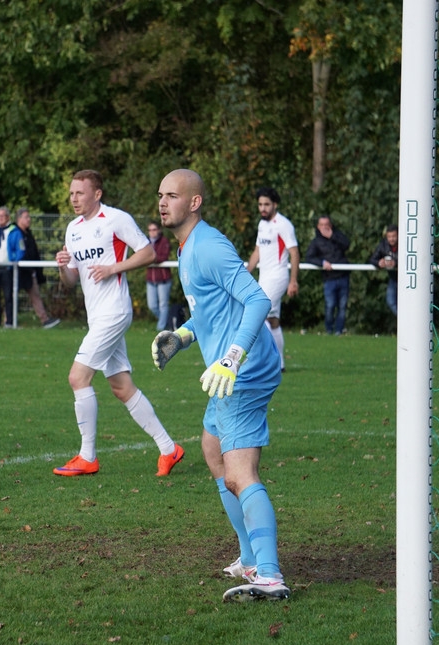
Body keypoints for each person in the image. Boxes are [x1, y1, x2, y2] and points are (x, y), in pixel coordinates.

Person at [151, 168, 288, 602]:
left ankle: (269, 575)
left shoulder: (208, 246)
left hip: (244, 372)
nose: (162, 202)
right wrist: (183, 337)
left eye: (172, 196)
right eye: (160, 195)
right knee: (212, 449)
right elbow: (212, 309)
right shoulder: (187, 247)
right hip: (233, 371)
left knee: (240, 473)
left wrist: (232, 359)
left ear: (194, 203)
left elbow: (257, 300)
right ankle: (249, 557)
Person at [53, 169, 184, 477]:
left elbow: (148, 253)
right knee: (121, 387)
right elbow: (71, 281)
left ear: (97, 194)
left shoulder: (115, 219)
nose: (74, 198)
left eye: (80, 193)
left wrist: (113, 268)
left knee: (77, 378)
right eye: (71, 193)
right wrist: (63, 267)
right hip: (97, 316)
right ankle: (169, 449)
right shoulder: (73, 229)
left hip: (114, 311)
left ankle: (87, 457)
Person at [246, 187, 298, 370]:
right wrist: (247, 271)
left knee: (258, 315)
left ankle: (261, 361)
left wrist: (293, 281)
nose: (263, 208)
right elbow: (257, 251)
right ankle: (280, 363)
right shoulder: (262, 224)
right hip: (264, 277)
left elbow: (294, 252)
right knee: (273, 320)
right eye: (260, 204)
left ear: (275, 204)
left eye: (266, 204)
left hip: (278, 277)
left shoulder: (283, 224)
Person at [304, 215, 351, 335]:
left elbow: (347, 245)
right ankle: (329, 330)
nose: (324, 227)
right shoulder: (316, 242)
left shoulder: (338, 235)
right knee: (330, 305)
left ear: (331, 225)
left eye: (327, 224)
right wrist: (322, 263)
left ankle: (339, 331)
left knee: (342, 306)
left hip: (343, 276)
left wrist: (332, 236)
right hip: (329, 279)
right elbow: (309, 257)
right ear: (318, 226)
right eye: (322, 225)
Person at [15, 208, 60, 329]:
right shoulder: (15, 233)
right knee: (12, 296)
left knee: (35, 295)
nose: (29, 219)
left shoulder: (28, 234)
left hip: (30, 271)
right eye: (26, 217)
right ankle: (8, 320)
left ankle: (45, 319)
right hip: (17, 271)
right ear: (19, 219)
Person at [145, 221, 173, 332]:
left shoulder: (164, 241)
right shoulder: (145, 243)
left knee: (163, 305)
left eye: (154, 229)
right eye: (150, 230)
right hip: (150, 279)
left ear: (159, 230)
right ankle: (167, 321)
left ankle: (160, 328)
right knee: (152, 306)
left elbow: (163, 256)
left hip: (163, 279)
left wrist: (150, 258)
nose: (152, 232)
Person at [369, 223, 399, 316]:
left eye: (394, 236)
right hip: (393, 278)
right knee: (390, 301)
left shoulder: (406, 243)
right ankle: (403, 319)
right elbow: (372, 259)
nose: (391, 239)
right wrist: (379, 262)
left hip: (407, 279)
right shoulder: (383, 244)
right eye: (389, 237)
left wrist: (395, 263)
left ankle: (405, 320)